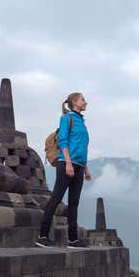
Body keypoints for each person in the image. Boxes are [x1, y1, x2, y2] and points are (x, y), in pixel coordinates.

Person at [36, 92, 93, 248]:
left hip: (79, 166)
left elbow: (82, 148)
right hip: (66, 164)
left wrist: (86, 168)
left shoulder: (82, 122)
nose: (85, 102)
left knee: (74, 203)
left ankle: (73, 240)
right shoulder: (66, 119)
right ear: (75, 102)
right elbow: (63, 141)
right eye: (83, 100)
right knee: (56, 198)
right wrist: (68, 162)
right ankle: (42, 236)